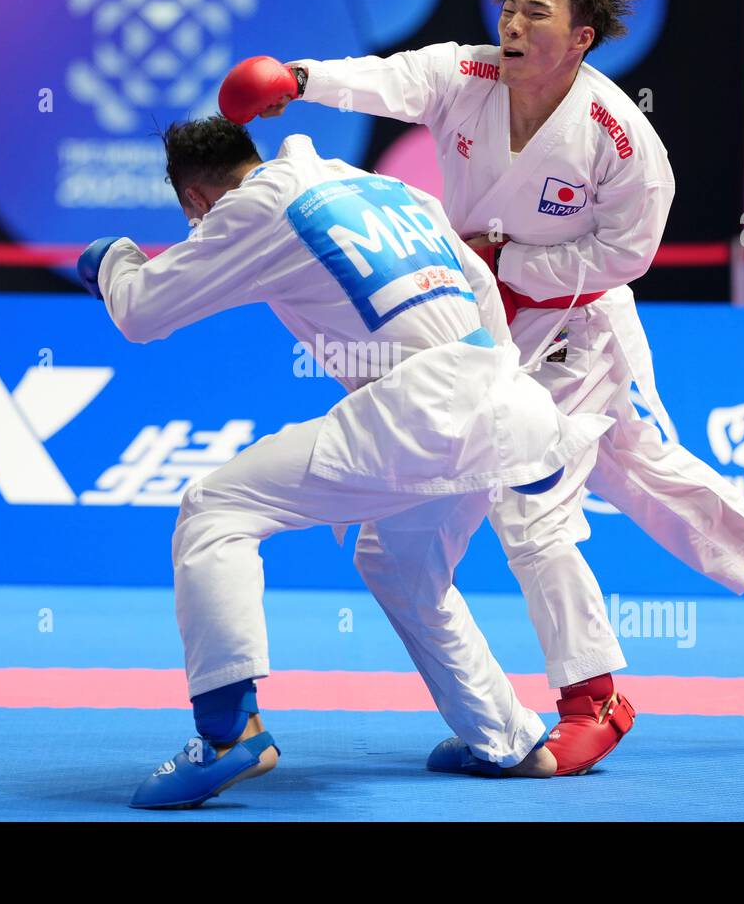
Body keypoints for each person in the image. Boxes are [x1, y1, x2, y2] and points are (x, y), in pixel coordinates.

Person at [219, 0, 744, 775]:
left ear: (579, 37)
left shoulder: (620, 138)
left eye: (535, 12)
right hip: (494, 328)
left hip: (577, 325)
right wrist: (298, 80)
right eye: (509, 6)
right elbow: (389, 79)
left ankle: (596, 699)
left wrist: (512, 264)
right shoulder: (464, 75)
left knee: (529, 501)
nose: (511, 22)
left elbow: (628, 255)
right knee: (633, 461)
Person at [77, 116, 615, 808]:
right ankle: (509, 742)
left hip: (416, 408)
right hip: (501, 394)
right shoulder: (387, 188)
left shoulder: (251, 206)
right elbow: (481, 285)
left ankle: (227, 732)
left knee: (215, 510)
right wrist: (497, 409)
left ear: (194, 204)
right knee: (400, 566)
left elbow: (141, 312)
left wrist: (114, 257)